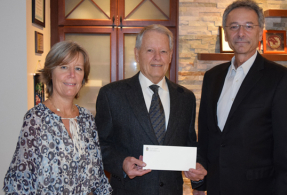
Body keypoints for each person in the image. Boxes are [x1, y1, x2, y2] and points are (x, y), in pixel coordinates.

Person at [194, 0, 287, 195]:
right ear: (225, 33)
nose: (241, 33)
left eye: (248, 26)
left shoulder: (281, 79)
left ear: (260, 31)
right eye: (234, 27)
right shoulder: (212, 77)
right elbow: (206, 136)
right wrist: (200, 185)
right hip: (217, 188)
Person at [95, 24, 207, 195]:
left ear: (170, 56)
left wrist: (197, 169)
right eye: (149, 50)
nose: (157, 57)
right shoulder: (112, 95)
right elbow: (99, 145)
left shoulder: (186, 98)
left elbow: (189, 144)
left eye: (163, 51)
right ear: (137, 54)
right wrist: (122, 163)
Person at [3, 41, 112, 195]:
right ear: (50, 73)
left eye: (78, 69)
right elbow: (19, 183)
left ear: (83, 77)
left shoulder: (86, 119)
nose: (72, 75)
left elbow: (98, 178)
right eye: (64, 67)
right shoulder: (36, 119)